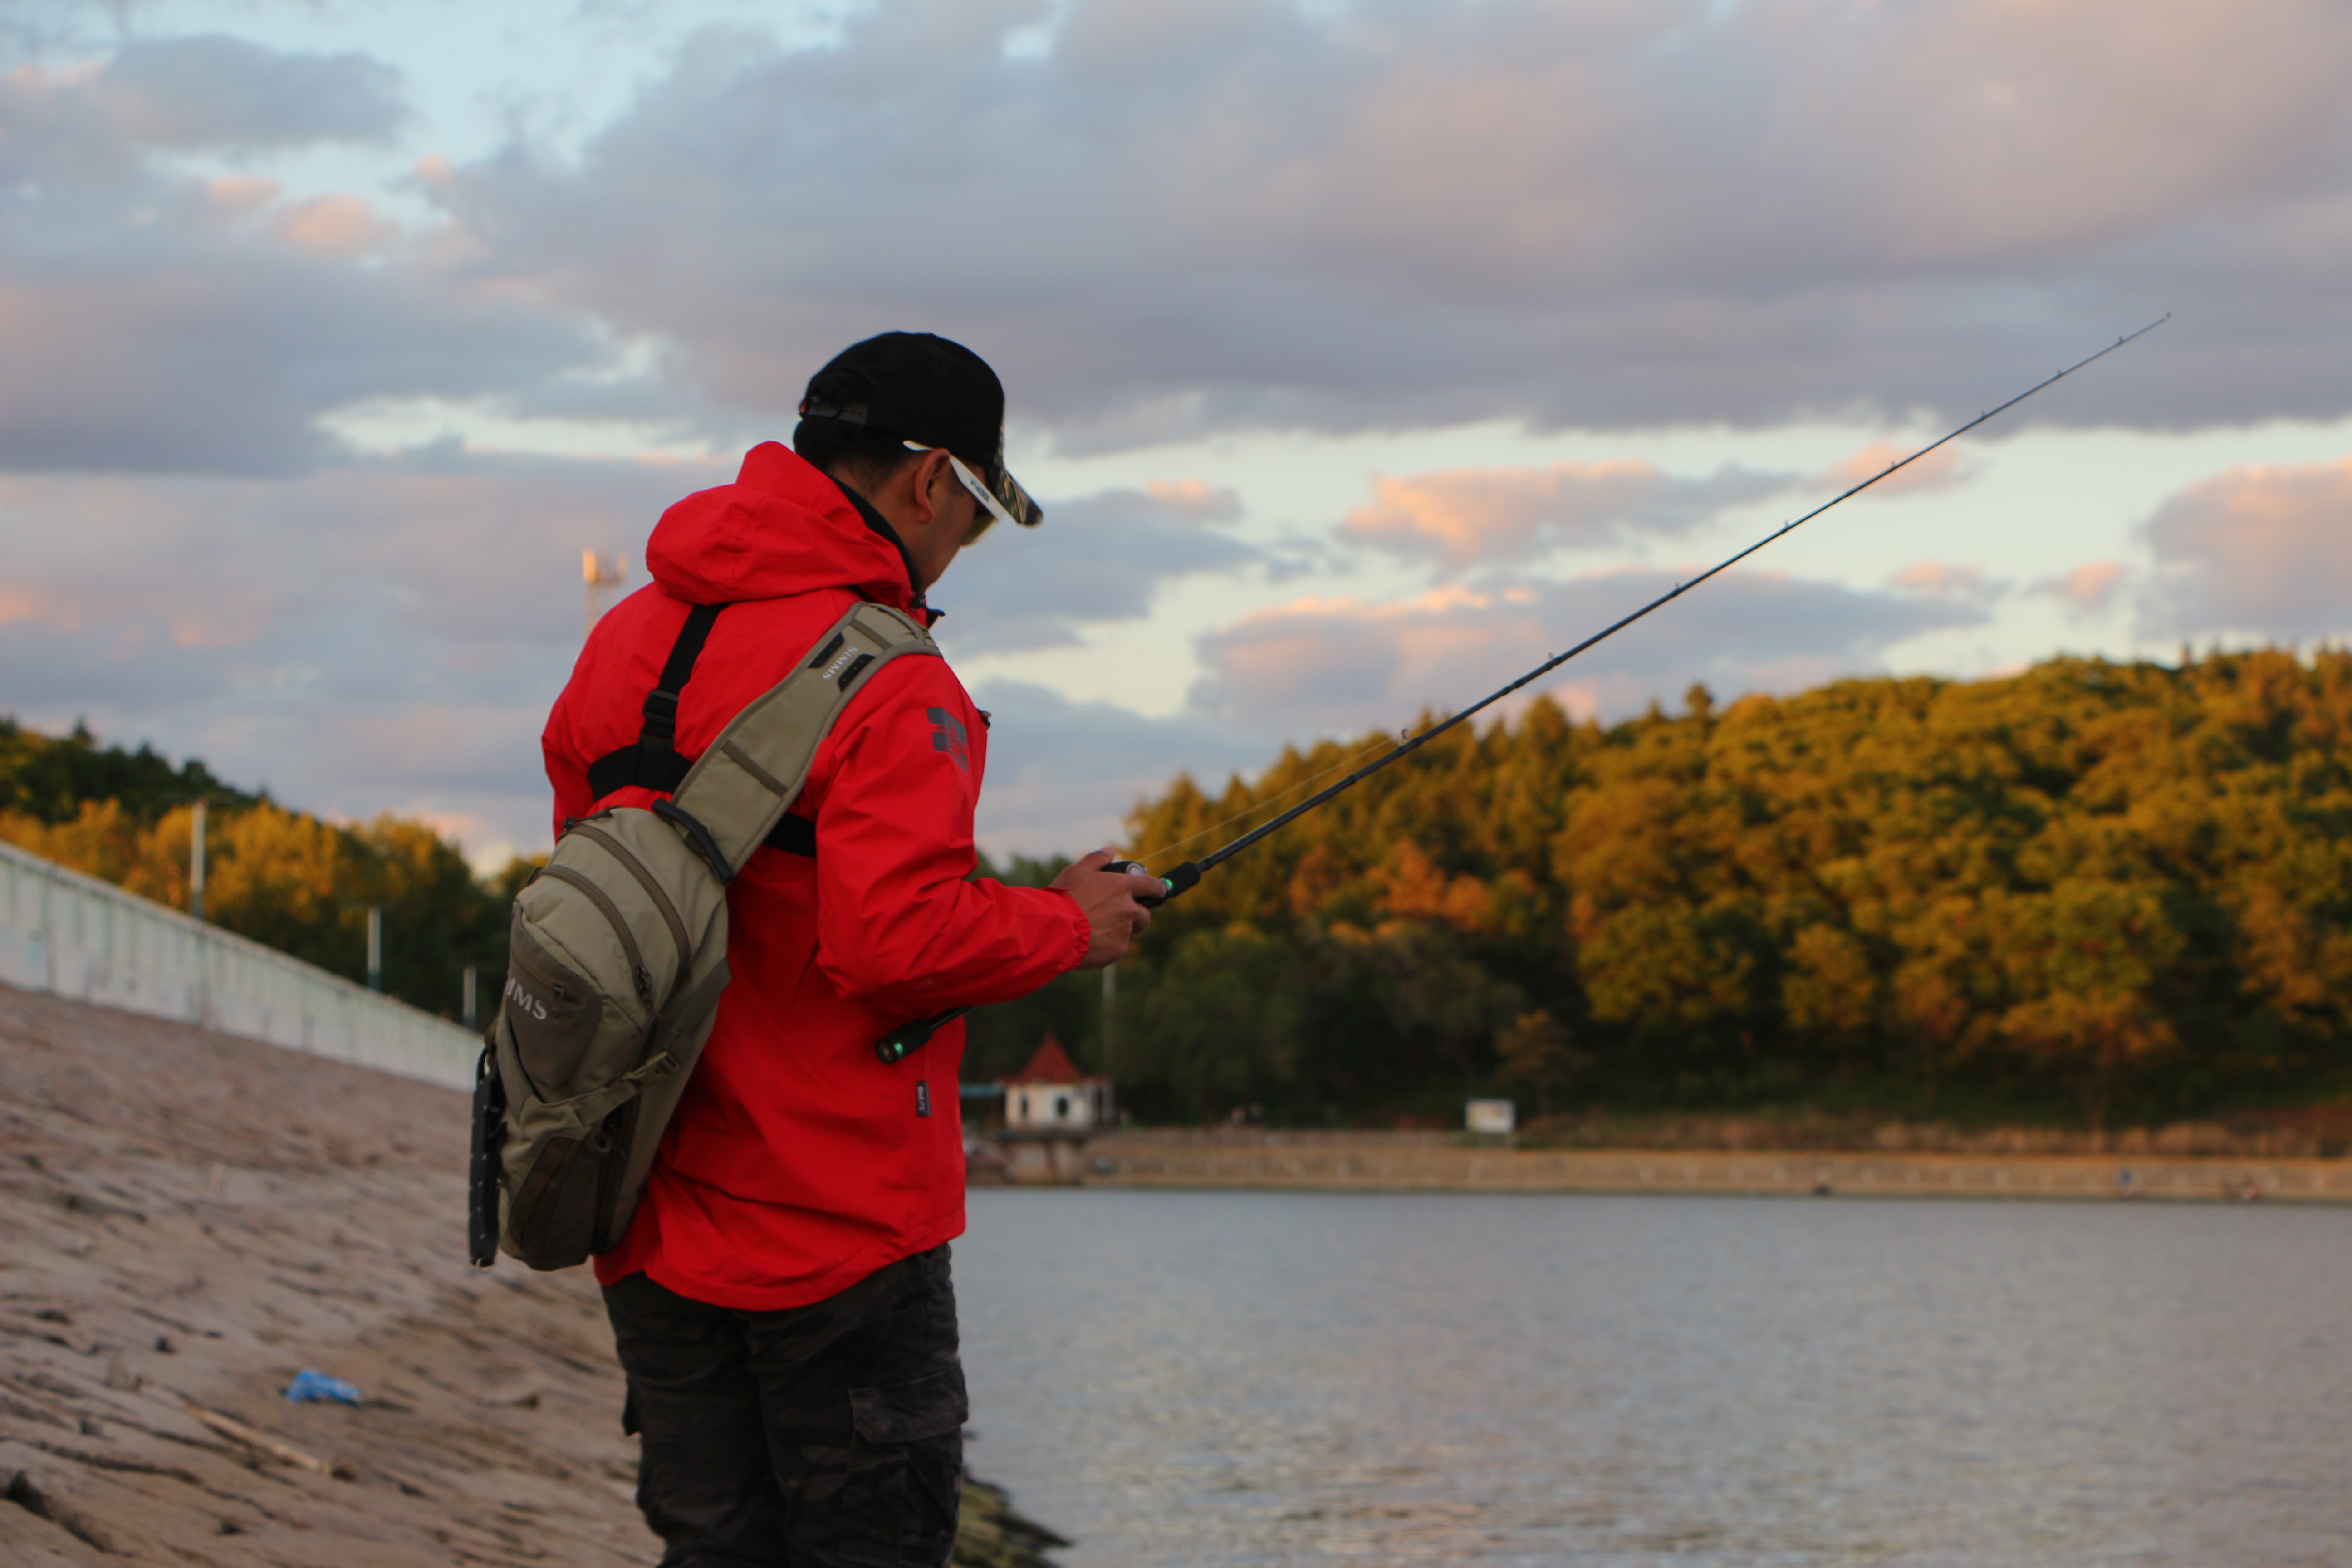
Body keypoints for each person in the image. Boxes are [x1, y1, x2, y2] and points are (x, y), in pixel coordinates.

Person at [539, 331, 1160, 1566]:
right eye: (975, 516)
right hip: (837, 1230)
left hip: (646, 1207)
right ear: (931, 481)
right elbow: (891, 942)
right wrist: (1067, 924)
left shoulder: (626, 641)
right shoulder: (894, 678)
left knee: (713, 1549)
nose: (961, 548)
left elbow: (596, 891)